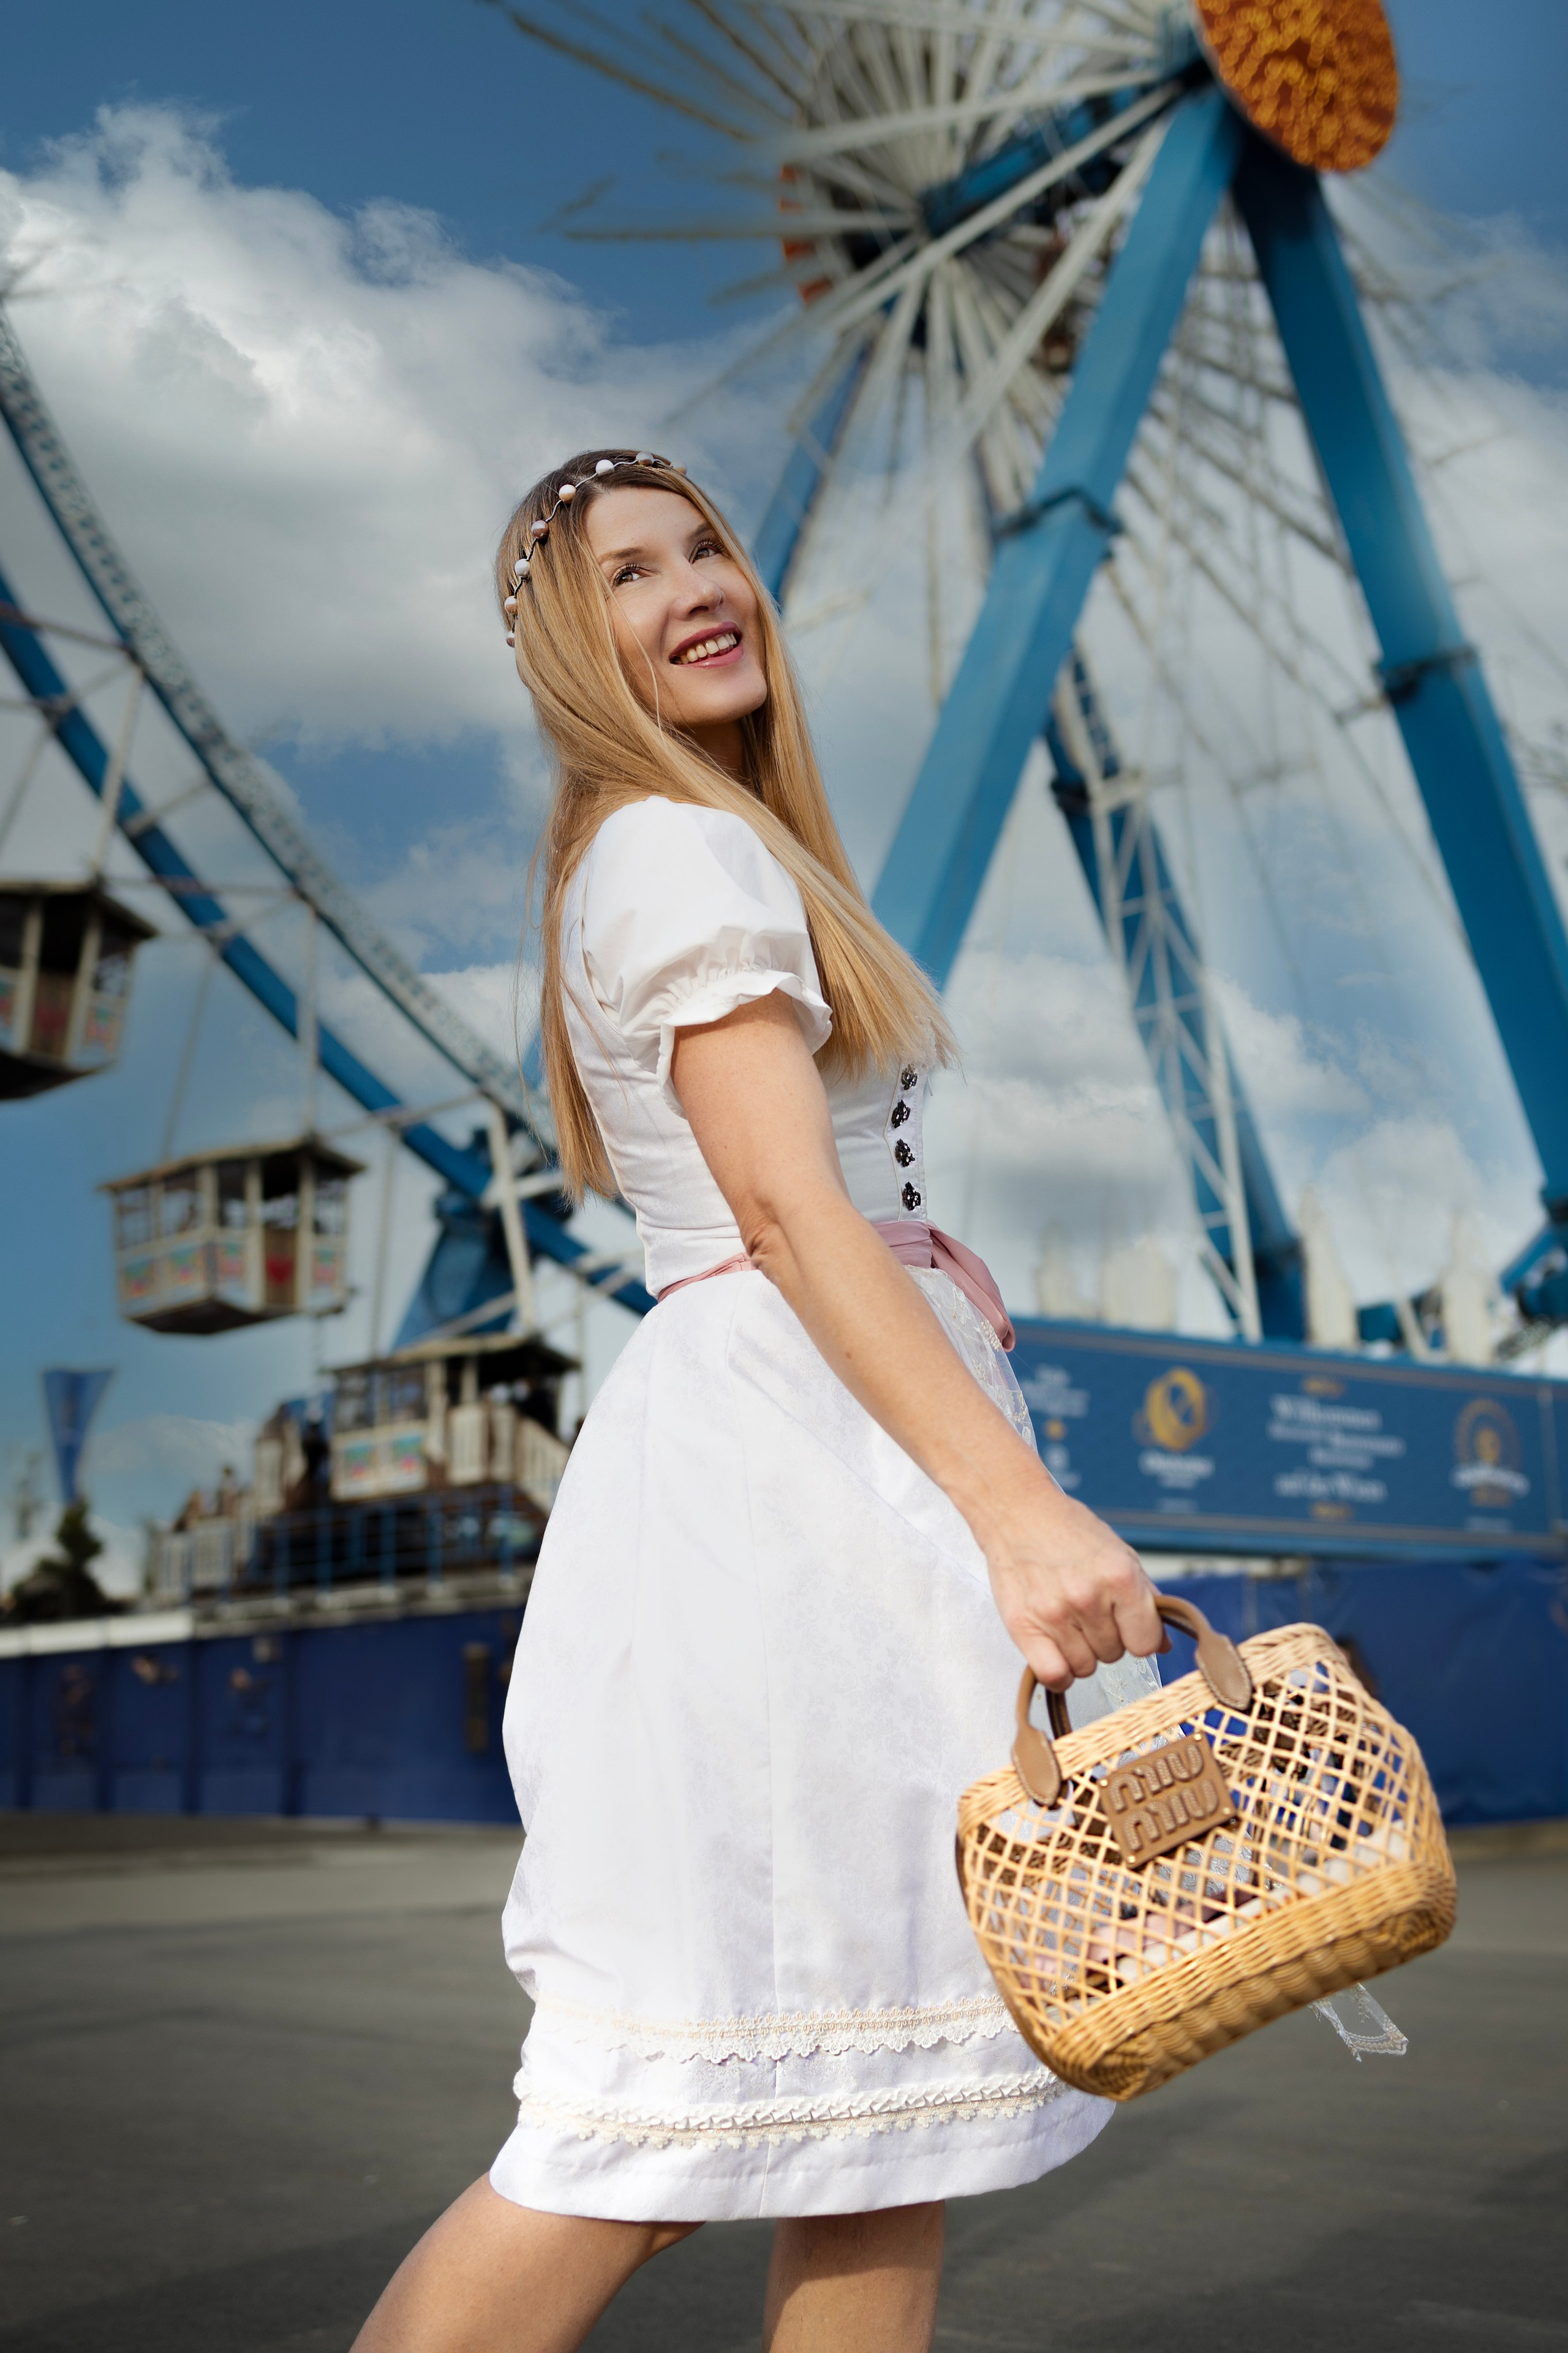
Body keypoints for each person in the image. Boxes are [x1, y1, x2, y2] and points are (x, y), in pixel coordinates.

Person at [353, 450, 1165, 2353]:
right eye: (629, 574)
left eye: (707, 547)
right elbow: (800, 1219)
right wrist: (1017, 1509)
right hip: (803, 1487)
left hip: (833, 1474)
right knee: (637, 2143)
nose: (696, 585)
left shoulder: (709, 842)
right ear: (574, 648)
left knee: (887, 2115)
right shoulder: (674, 846)